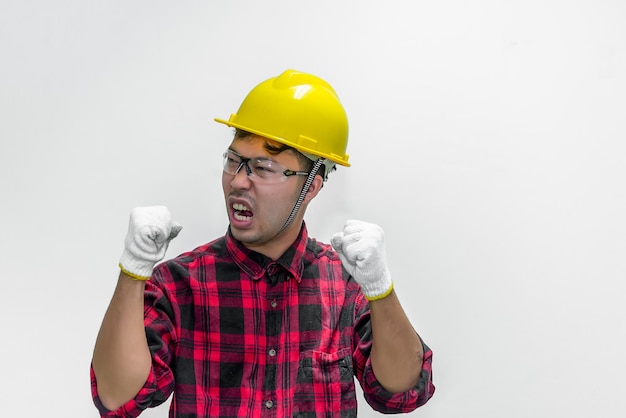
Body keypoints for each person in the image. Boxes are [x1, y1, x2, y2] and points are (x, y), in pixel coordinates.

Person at [91, 69, 435, 417]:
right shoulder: (179, 285)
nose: (239, 181)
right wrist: (133, 272)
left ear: (311, 185)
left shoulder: (345, 286)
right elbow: (118, 398)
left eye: (263, 167)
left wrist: (380, 288)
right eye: (234, 161)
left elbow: (401, 392)